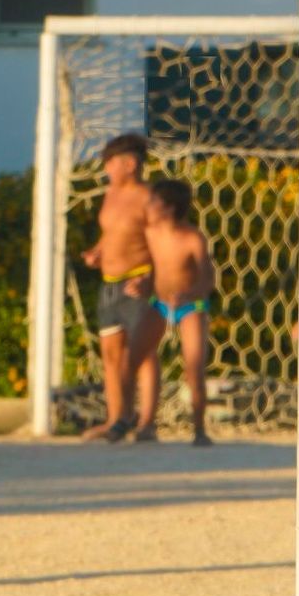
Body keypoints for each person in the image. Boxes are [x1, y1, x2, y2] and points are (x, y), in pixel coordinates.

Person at [80, 132, 159, 442]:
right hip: (109, 285)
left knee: (144, 354)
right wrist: (98, 252)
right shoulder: (110, 193)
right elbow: (111, 232)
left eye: (110, 163)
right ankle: (117, 420)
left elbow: (162, 241)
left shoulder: (148, 197)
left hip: (139, 283)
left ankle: (147, 423)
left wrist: (151, 277)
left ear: (130, 163)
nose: (106, 169)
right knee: (111, 355)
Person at [129, 178, 218, 446]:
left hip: (191, 307)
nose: (150, 206)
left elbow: (207, 279)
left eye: (155, 201)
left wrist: (189, 294)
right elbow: (150, 269)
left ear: (169, 208)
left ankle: (199, 429)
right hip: (159, 303)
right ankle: (144, 423)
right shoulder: (149, 233)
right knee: (135, 357)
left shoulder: (192, 238)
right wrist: (142, 285)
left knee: (193, 368)